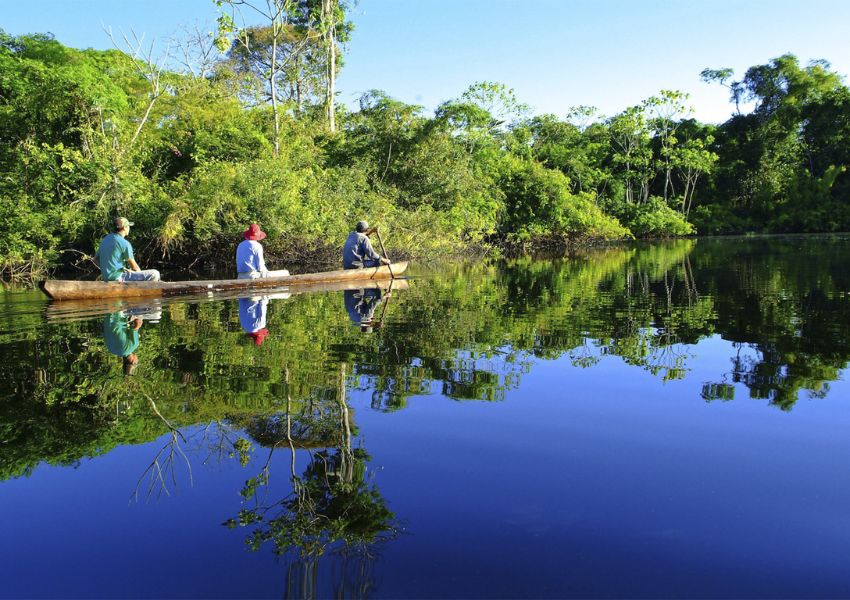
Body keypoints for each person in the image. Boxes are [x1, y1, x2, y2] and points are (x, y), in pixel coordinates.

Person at [94, 217, 161, 282]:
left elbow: (95, 260)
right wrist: (139, 276)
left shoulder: (105, 239)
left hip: (107, 278)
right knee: (154, 274)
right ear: (125, 228)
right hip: (118, 277)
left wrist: (107, 270)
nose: (129, 228)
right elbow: (135, 267)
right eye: (128, 226)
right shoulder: (124, 243)